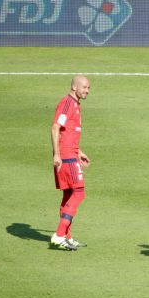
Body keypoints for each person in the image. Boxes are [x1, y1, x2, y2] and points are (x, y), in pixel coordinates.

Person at [49, 75, 91, 251]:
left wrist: (78, 152)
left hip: (70, 154)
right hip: (66, 157)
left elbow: (69, 133)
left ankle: (66, 237)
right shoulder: (67, 103)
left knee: (68, 195)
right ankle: (59, 235)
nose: (87, 91)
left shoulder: (75, 104)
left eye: (88, 88)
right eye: (85, 87)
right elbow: (55, 127)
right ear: (75, 87)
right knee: (79, 192)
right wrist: (57, 155)